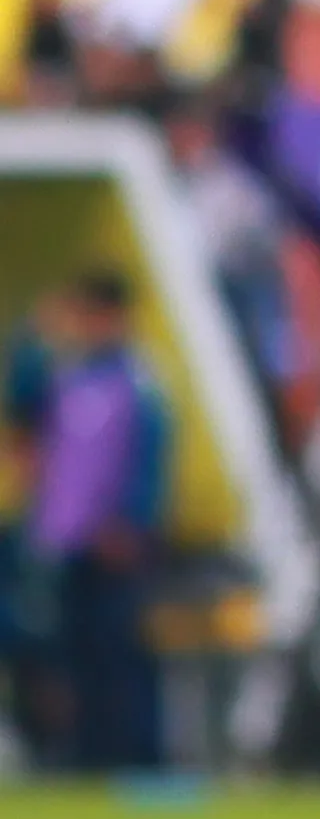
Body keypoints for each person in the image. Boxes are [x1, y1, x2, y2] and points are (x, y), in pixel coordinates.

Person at [5, 272, 172, 772]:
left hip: (115, 542)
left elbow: (148, 459)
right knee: (71, 654)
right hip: (65, 540)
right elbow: (22, 404)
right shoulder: (69, 376)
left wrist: (131, 522)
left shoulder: (138, 380)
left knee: (120, 653)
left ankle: (138, 758)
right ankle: (86, 758)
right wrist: (33, 336)